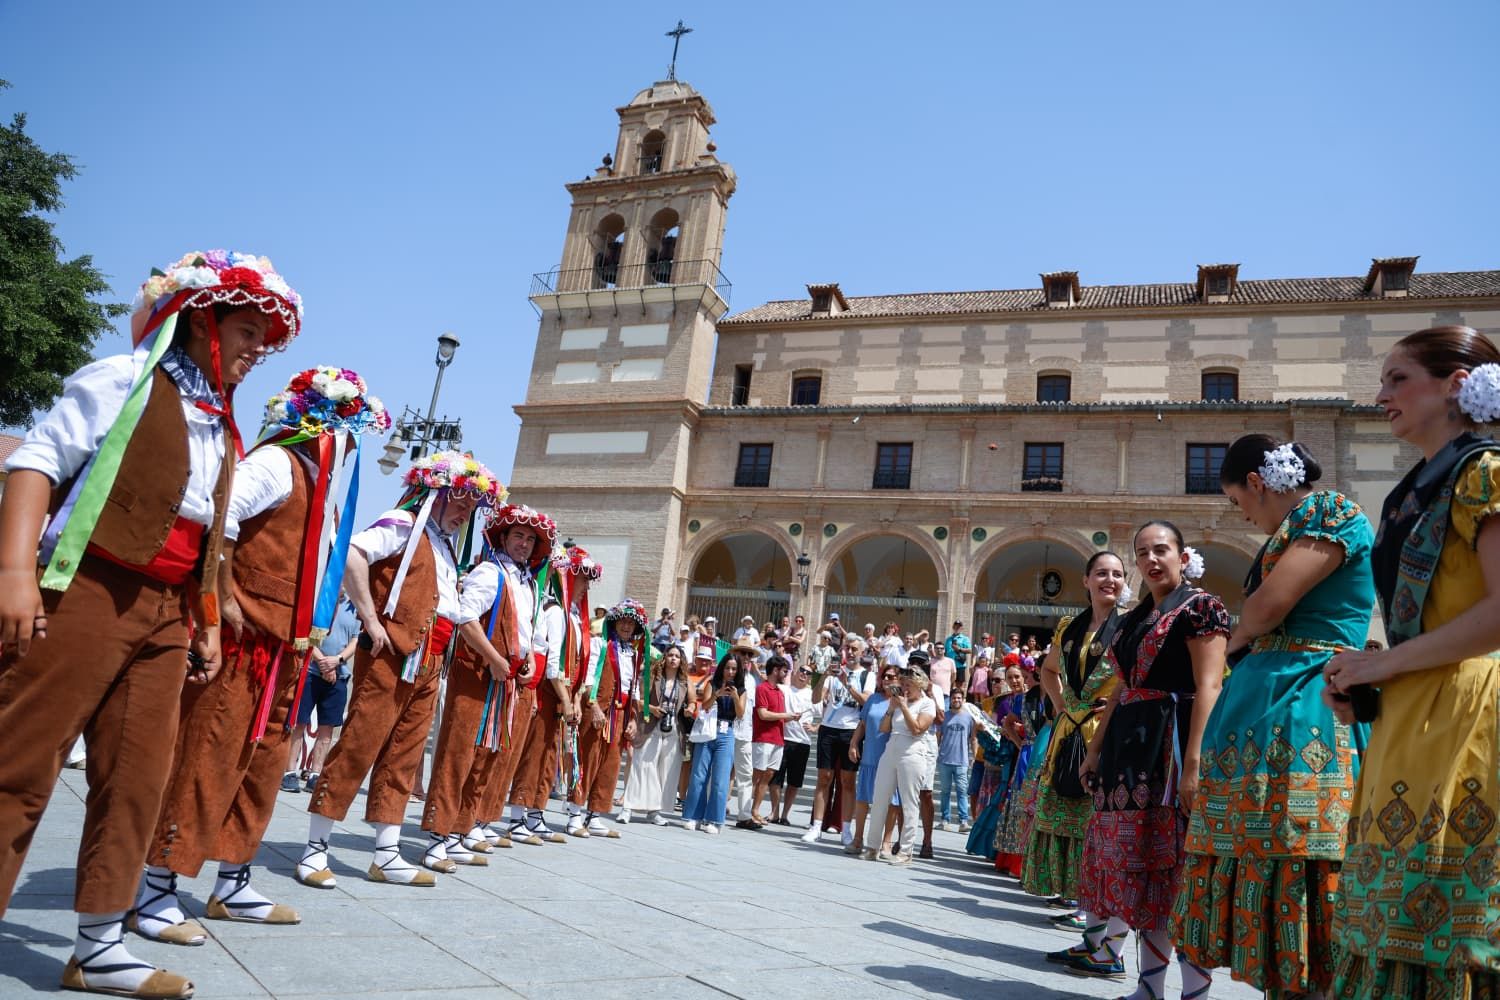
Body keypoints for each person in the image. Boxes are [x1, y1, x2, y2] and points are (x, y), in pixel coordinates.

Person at [0, 249, 300, 999]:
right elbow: (36, 462)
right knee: (21, 766)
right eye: (248, 330)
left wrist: (203, 623)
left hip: (167, 614)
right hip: (87, 589)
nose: (259, 348)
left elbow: (204, 530)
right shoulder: (125, 379)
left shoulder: (223, 427)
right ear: (203, 321)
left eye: (269, 336)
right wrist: (13, 576)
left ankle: (98, 945)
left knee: (137, 777)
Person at [135, 364, 388, 944]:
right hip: (246, 647)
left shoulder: (320, 494)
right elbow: (215, 518)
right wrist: (222, 599)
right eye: (345, 432)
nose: (349, 448)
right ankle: (156, 886)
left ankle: (232, 880)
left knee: (264, 767)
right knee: (207, 758)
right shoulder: (276, 464)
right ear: (319, 426)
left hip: (289, 654)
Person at [1322, 325, 1500, 998]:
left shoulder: (1486, 472)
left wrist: (1384, 668)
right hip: (1415, 712)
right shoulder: (1417, 487)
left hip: (1467, 712)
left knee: (1448, 917)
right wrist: (1370, 670)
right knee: (1392, 910)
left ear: (1457, 384)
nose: (1381, 394)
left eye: (1398, 378)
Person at [1166, 435, 1374, 997]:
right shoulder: (1291, 530)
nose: (1245, 517)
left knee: (1303, 850)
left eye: (1239, 503)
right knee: (1273, 851)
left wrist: (1235, 638)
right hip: (1272, 706)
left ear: (1257, 484)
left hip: (1307, 702)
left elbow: (1270, 605)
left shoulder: (1331, 512)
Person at [297, 451, 505, 888]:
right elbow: (353, 554)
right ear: (434, 495)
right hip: (394, 657)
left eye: (470, 506)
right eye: (458, 501)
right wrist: (371, 619)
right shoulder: (403, 525)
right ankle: (315, 848)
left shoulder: (445, 546)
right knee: (358, 745)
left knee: (404, 758)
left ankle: (386, 852)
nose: (464, 512)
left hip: (431, 661)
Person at [1067, 522, 1228, 1000]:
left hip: (1172, 748)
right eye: (1143, 553)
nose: (1152, 560)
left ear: (1182, 555)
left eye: (1162, 550)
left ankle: (1195, 993)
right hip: (1127, 754)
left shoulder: (1202, 607)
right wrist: (1095, 749)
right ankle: (1149, 988)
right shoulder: (1137, 616)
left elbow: (1210, 685)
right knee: (1143, 877)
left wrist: (1194, 763)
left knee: (1178, 874)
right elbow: (1122, 685)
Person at [419, 503, 555, 869]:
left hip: (505, 679)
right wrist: (495, 659)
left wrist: (525, 659)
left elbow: (527, 633)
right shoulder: (489, 572)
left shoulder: (526, 584)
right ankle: (436, 838)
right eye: (517, 536)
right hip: (477, 674)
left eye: (530, 539)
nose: (524, 544)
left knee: (486, 756)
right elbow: (465, 617)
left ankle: (461, 828)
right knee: (458, 753)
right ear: (503, 538)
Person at [1025, 552, 1126, 931]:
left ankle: (1096, 909)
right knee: (1071, 816)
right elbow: (1049, 671)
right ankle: (1081, 899)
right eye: (1101, 573)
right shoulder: (1069, 626)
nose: (1109, 580)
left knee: (1097, 820)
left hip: (1108, 730)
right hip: (1072, 731)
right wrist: (1064, 704)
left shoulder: (1130, 625)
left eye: (1117, 574)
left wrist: (1116, 703)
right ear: (1085, 580)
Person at [507, 543, 599, 843]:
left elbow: (575, 664)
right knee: (533, 756)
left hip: (561, 700)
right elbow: (554, 665)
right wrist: (564, 697)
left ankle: (535, 813)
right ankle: (518, 817)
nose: (586, 586)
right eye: (582, 579)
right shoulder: (557, 613)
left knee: (548, 759)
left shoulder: (572, 616)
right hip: (548, 696)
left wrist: (573, 697)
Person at [284, 597, 362, 793]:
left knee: (326, 730)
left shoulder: (355, 606)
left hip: (339, 674)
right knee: (299, 724)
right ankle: (289, 772)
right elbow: (306, 632)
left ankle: (315, 773)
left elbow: (355, 639)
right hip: (311, 671)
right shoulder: (320, 597)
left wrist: (337, 660)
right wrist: (323, 662)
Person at [861, 665, 937, 864]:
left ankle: (906, 851)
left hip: (912, 752)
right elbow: (884, 728)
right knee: (879, 798)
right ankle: (872, 846)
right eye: (902, 683)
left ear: (919, 684)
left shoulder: (927, 704)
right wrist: (892, 709)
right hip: (891, 748)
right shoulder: (897, 702)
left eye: (908, 684)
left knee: (909, 802)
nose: (904, 688)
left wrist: (903, 707)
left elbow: (918, 729)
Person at [801, 649, 876, 846]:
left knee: (848, 781)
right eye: (848, 648)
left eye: (854, 649)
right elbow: (816, 699)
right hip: (828, 729)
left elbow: (866, 702)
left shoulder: (868, 675)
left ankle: (846, 829)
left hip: (851, 731)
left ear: (861, 652)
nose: (851, 652)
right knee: (823, 778)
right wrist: (824, 675)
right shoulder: (833, 674)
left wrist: (848, 685)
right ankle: (816, 826)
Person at [620, 644, 687, 825]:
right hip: (650, 726)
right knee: (641, 766)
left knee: (665, 772)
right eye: (671, 655)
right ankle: (628, 808)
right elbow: (637, 700)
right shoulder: (652, 678)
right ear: (664, 658)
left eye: (677, 656)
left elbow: (692, 703)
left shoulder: (684, 683)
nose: (674, 659)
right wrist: (652, 708)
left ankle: (654, 811)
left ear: (681, 661)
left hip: (673, 730)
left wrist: (691, 709)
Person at [681, 652, 746, 834]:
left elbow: (741, 714)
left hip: (727, 733)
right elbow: (705, 707)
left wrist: (734, 697)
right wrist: (717, 694)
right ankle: (693, 816)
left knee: (720, 779)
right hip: (708, 731)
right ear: (722, 668)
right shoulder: (713, 684)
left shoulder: (741, 690)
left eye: (734, 669)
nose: (730, 672)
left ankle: (714, 820)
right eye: (727, 668)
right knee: (699, 775)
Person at [848, 664, 899, 853]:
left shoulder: (901, 702)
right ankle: (858, 838)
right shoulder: (872, 699)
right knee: (863, 798)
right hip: (869, 756)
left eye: (892, 677)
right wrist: (853, 744)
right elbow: (862, 724)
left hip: (889, 758)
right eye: (885, 676)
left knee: (892, 802)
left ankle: (886, 841)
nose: (887, 679)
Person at [770, 659, 816, 824]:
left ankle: (785, 815)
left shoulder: (812, 694)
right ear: (795, 672)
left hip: (802, 742)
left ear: (811, 678)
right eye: (802, 670)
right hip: (782, 738)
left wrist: (815, 727)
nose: (804, 674)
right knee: (775, 779)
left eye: (808, 673)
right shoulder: (783, 689)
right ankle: (774, 812)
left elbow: (826, 713)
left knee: (794, 782)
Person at [935, 688, 975, 829]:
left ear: (963, 700)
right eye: (954, 698)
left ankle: (963, 821)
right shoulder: (944, 717)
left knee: (962, 791)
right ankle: (944, 819)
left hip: (961, 760)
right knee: (945, 791)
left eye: (959, 698)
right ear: (950, 700)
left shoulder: (969, 718)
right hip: (945, 759)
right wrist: (935, 752)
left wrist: (974, 756)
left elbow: (973, 739)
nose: (956, 700)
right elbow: (938, 736)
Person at [944, 620, 972, 685]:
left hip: (959, 664)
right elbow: (945, 651)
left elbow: (969, 650)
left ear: (961, 628)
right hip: (949, 665)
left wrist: (959, 649)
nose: (957, 628)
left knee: (959, 685)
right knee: (949, 684)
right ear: (953, 627)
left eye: (959, 627)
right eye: (955, 626)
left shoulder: (965, 638)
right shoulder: (948, 639)